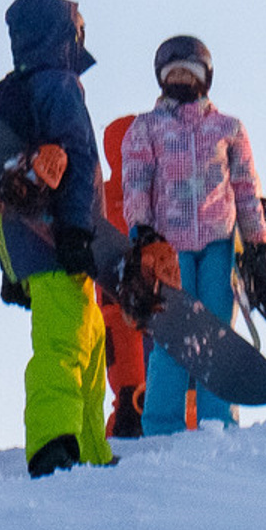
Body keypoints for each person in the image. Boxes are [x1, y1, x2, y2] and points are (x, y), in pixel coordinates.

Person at [0, 0, 112, 477]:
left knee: (89, 333)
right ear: (64, 35)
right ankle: (55, 446)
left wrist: (10, 265)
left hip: (22, 237)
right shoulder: (59, 84)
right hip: (59, 235)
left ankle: (92, 450)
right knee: (66, 342)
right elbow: (79, 156)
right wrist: (75, 230)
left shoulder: (3, 94)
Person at [119, 35, 266, 431]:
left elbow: (245, 189)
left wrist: (257, 246)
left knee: (217, 337)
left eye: (190, 72)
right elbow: (136, 183)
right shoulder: (146, 128)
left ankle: (217, 423)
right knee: (171, 337)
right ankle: (161, 427)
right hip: (169, 249)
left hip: (219, 245)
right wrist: (144, 234)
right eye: (174, 73)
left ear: (205, 78)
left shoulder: (229, 129)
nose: (182, 79)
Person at [97, 113, 150, 438]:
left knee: (133, 379)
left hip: (123, 304)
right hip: (120, 305)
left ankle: (129, 417)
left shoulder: (98, 196)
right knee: (132, 379)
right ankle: (131, 417)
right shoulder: (103, 197)